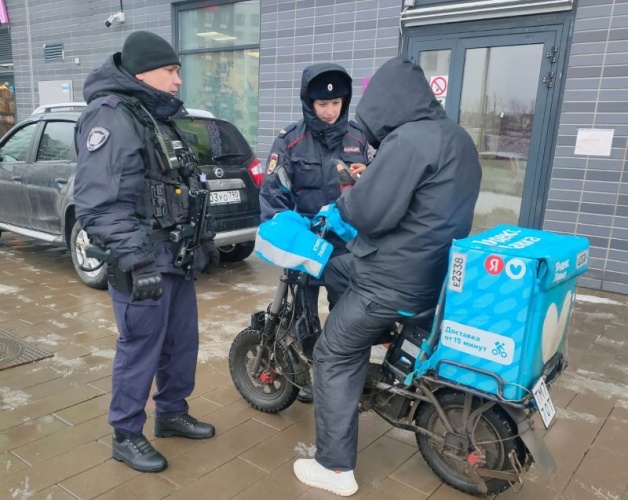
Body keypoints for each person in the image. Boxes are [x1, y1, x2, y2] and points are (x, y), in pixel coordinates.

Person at [292, 57, 482, 496]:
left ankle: (334, 468)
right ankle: (371, 346)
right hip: (434, 276)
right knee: (336, 269)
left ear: (385, 103)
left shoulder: (408, 141)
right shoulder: (457, 137)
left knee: (332, 352)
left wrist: (348, 197)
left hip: (393, 279)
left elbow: (368, 214)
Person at [74, 31, 218, 473]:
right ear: (143, 73)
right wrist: (136, 261)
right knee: (141, 348)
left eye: (178, 71)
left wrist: (201, 242)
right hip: (144, 262)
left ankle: (171, 413)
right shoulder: (113, 116)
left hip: (173, 256)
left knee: (180, 344)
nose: (178, 81)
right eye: (171, 71)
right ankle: (126, 434)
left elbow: (176, 183)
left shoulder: (153, 115)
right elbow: (100, 203)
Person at [259, 63, 370, 403]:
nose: (329, 111)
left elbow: (376, 192)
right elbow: (274, 194)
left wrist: (366, 177)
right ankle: (305, 375)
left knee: (347, 317)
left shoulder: (357, 139)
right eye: (322, 104)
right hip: (306, 244)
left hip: (347, 245)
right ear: (309, 103)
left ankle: (346, 376)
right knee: (301, 315)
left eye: (336, 104)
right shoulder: (290, 141)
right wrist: (296, 231)